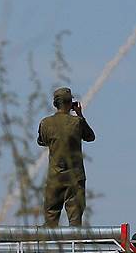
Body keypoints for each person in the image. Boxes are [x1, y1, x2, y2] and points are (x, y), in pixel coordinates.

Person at [37, 86, 96, 227]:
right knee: (75, 222)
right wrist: (80, 115)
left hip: (55, 177)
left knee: (50, 220)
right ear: (70, 103)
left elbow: (41, 141)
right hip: (75, 177)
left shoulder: (45, 123)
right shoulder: (77, 122)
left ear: (55, 104)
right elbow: (90, 137)